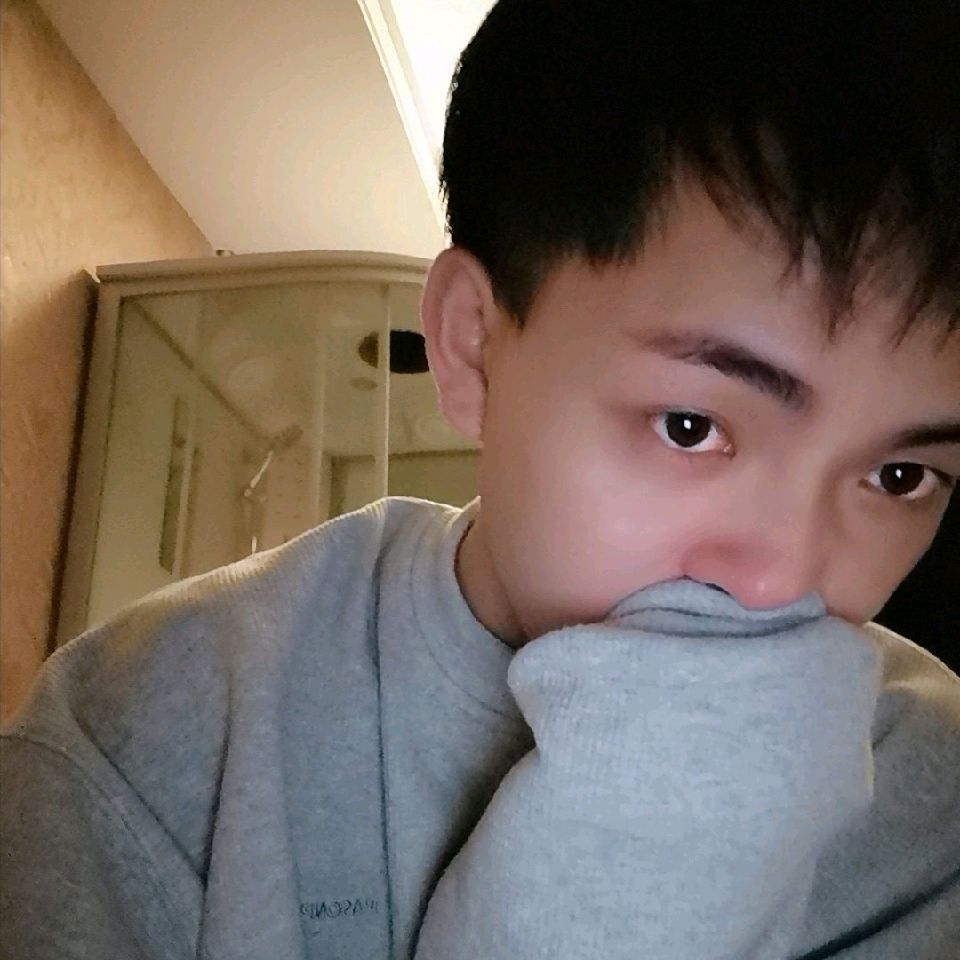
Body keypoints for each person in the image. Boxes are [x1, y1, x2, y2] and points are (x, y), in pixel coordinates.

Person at [2, 1, 959, 957]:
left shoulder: (934, 816)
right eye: (691, 427)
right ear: (471, 348)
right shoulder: (139, 738)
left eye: (900, 475)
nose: (784, 582)